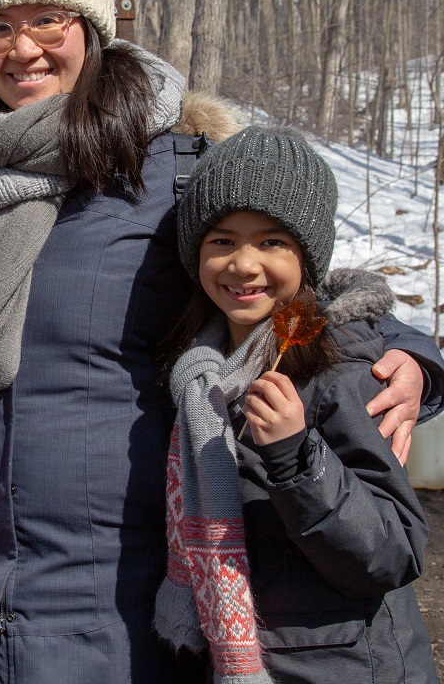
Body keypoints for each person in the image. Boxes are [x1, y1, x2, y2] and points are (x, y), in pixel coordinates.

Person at [0, 0, 444, 684]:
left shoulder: (174, 173)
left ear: (89, 25)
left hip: (118, 609)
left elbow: (294, 281)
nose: (23, 48)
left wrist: (415, 354)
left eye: (47, 19)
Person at [154, 126, 437, 683]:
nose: (244, 264)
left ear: (308, 256)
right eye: (222, 241)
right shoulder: (195, 374)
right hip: (241, 659)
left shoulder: (345, 374)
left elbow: (393, 551)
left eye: (272, 242)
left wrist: (297, 458)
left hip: (349, 665)